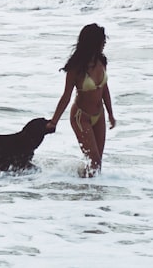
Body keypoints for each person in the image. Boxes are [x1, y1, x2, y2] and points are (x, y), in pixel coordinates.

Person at [46, 23, 115, 176]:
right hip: (80, 117)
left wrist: (110, 113)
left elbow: (104, 89)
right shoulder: (76, 68)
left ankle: (87, 189)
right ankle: (84, 189)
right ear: (93, 42)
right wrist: (53, 122)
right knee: (94, 161)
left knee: (97, 163)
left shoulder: (101, 61)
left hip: (99, 115)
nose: (104, 43)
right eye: (102, 40)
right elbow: (66, 96)